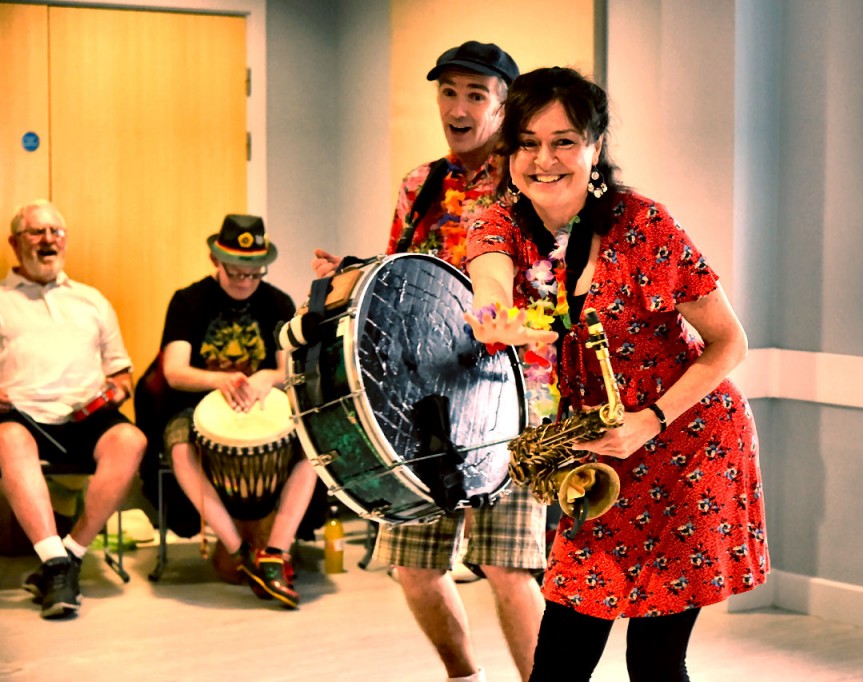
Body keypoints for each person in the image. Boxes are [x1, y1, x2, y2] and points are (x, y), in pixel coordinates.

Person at [461, 67, 771, 682]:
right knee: (559, 661)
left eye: (563, 141)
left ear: (596, 147)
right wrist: (494, 317)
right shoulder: (497, 222)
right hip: (601, 456)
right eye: (527, 142)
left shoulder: (645, 226)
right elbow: (490, 281)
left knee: (654, 664)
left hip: (689, 444)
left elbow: (729, 341)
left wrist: (651, 420)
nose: (543, 159)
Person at [314, 41, 547, 682]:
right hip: (423, 402)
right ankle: (462, 676)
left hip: (515, 397)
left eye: (477, 95)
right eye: (449, 92)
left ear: (503, 107)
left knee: (507, 568)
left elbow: (558, 292)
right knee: (415, 569)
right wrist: (352, 277)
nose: (459, 107)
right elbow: (396, 279)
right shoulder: (421, 185)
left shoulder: (532, 181)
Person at [152, 214, 317, 609]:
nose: (246, 280)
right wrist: (218, 380)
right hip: (198, 407)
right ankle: (241, 552)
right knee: (179, 448)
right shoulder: (188, 301)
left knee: (315, 446)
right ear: (216, 261)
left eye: (255, 271)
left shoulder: (277, 302)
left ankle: (276, 552)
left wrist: (264, 377)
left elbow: (285, 368)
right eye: (237, 271)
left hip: (263, 405)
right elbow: (174, 371)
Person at [0, 200, 146, 619]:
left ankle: (67, 558)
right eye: (36, 233)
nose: (48, 240)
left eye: (56, 232)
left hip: (86, 416)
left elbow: (122, 375)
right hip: (21, 417)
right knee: (7, 437)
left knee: (131, 439)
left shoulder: (92, 301)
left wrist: (116, 393)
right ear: (15, 243)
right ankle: (56, 563)